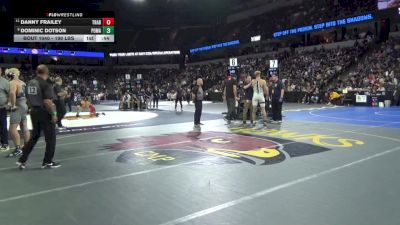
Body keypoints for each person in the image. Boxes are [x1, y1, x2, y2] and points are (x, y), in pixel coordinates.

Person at [18, 64, 61, 169]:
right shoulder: (45, 84)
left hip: (34, 111)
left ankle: (22, 159)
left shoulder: (29, 83)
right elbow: (47, 102)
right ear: (47, 72)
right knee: (50, 138)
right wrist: (54, 114)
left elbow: (27, 97)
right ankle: (47, 161)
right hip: (44, 112)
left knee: (34, 137)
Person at [6, 68, 30, 157]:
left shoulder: (13, 82)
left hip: (18, 106)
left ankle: (18, 149)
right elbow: (27, 95)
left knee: (12, 128)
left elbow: (12, 93)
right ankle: (27, 146)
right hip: (24, 105)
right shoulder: (22, 83)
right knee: (24, 126)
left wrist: (12, 105)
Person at [0, 68, 10, 151]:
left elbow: (10, 93)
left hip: (2, 107)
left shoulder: (4, 82)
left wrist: (8, 104)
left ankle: (5, 143)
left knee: (3, 126)